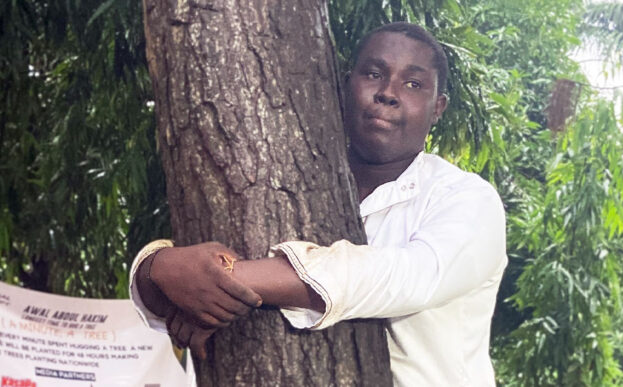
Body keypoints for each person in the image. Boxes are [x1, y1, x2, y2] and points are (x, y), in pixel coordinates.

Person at [130, 22, 507, 386]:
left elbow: (407, 276)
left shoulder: (466, 198)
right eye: (374, 74)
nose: (388, 93)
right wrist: (158, 269)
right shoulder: (288, 182)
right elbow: (175, 293)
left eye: (413, 83)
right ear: (345, 85)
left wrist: (223, 281)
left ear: (437, 107)